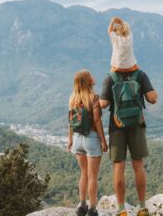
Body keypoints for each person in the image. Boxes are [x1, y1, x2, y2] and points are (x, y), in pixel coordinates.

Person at [100, 18, 158, 216]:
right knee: (138, 165)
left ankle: (122, 209)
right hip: (137, 124)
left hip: (116, 126)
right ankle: (142, 207)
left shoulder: (110, 78)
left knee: (119, 167)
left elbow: (103, 104)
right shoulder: (140, 75)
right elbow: (152, 98)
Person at [68, 70, 109, 216]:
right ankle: (92, 208)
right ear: (88, 81)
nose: (93, 77)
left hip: (77, 139)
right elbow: (97, 121)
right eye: (90, 76)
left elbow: (70, 122)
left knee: (83, 173)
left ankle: (81, 205)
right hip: (91, 138)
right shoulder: (93, 98)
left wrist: (70, 140)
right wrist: (103, 141)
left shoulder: (73, 99)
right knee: (92, 176)